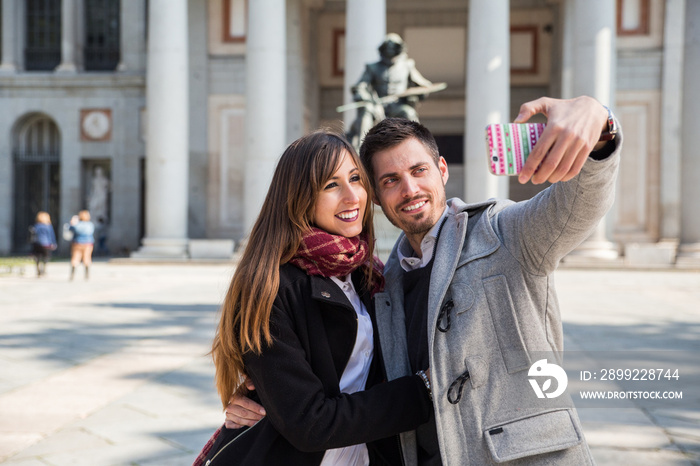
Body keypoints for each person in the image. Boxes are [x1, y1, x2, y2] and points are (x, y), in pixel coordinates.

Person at [228, 96, 622, 465]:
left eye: (419, 171)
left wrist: (598, 123)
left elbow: (578, 205)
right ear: (379, 197)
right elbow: (337, 379)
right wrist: (261, 395)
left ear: (442, 170)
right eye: (390, 180)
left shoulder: (503, 232)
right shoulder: (381, 281)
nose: (410, 189)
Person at [199, 130, 434, 466]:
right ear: (300, 198)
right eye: (330, 185)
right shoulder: (270, 286)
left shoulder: (370, 275)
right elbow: (309, 423)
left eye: (355, 178)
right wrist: (422, 391)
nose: (352, 196)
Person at [346, 33, 436, 150]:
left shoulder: (407, 66)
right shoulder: (372, 67)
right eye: (387, 47)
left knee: (408, 112)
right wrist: (368, 100)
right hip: (377, 106)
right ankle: (360, 148)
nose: (390, 50)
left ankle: (416, 145)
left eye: (393, 47)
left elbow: (424, 86)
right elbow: (359, 87)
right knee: (366, 110)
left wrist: (413, 95)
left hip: (397, 107)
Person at [69, 210, 95, 281]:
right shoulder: (90, 225)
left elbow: (71, 229)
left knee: (75, 258)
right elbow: (91, 232)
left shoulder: (77, 225)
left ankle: (72, 275)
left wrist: (72, 222)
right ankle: (87, 275)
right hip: (88, 243)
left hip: (77, 243)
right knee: (87, 258)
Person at [30, 211, 57, 277]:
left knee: (37, 257)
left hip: (37, 243)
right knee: (46, 257)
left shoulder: (36, 225)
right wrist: (53, 243)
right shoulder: (48, 226)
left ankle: (38, 270)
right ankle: (44, 269)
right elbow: (51, 235)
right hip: (46, 244)